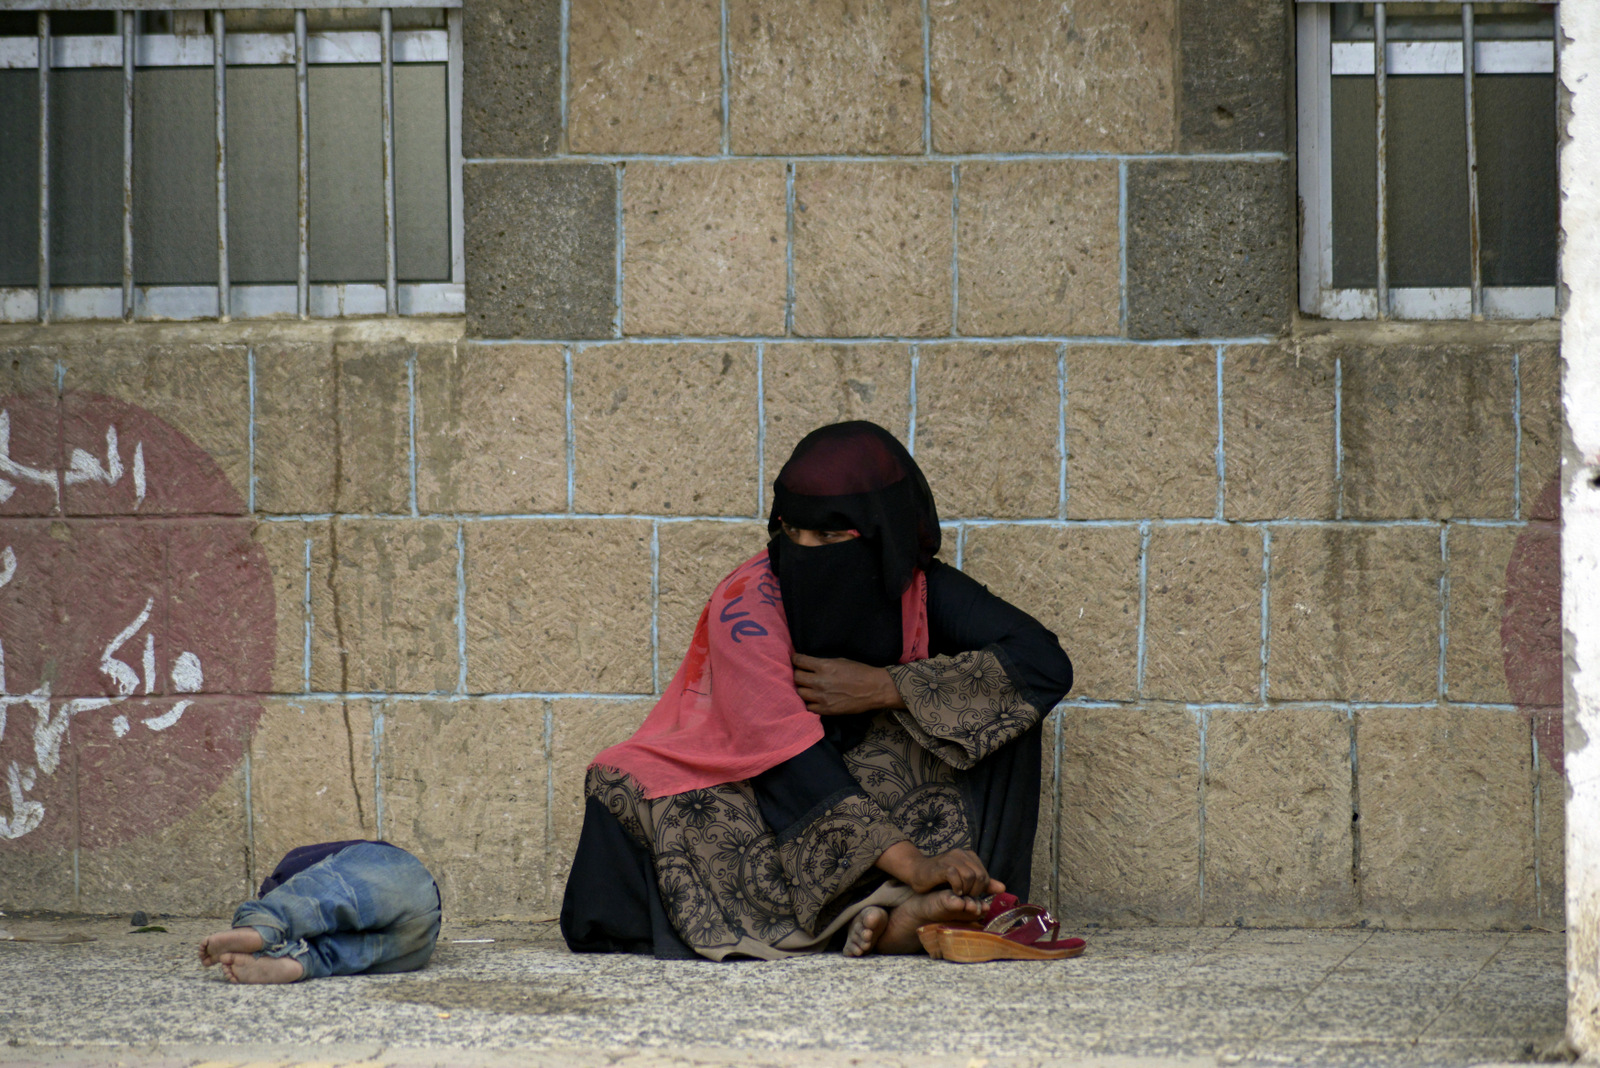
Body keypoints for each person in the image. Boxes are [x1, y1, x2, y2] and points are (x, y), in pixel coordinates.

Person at [560, 421, 1074, 961]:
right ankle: (897, 913)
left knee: (1004, 703)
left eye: (830, 537)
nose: (805, 552)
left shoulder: (918, 588)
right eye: (793, 532)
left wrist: (885, 687)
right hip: (767, 789)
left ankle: (954, 908)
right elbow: (784, 755)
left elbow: (1043, 664)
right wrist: (913, 864)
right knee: (621, 783)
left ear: (883, 534)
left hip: (888, 800)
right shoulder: (749, 600)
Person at [198, 840, 441, 984]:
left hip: (409, 926)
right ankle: (294, 956)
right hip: (417, 944)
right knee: (333, 929)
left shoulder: (297, 868)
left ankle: (285, 942)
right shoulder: (367, 858)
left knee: (322, 928)